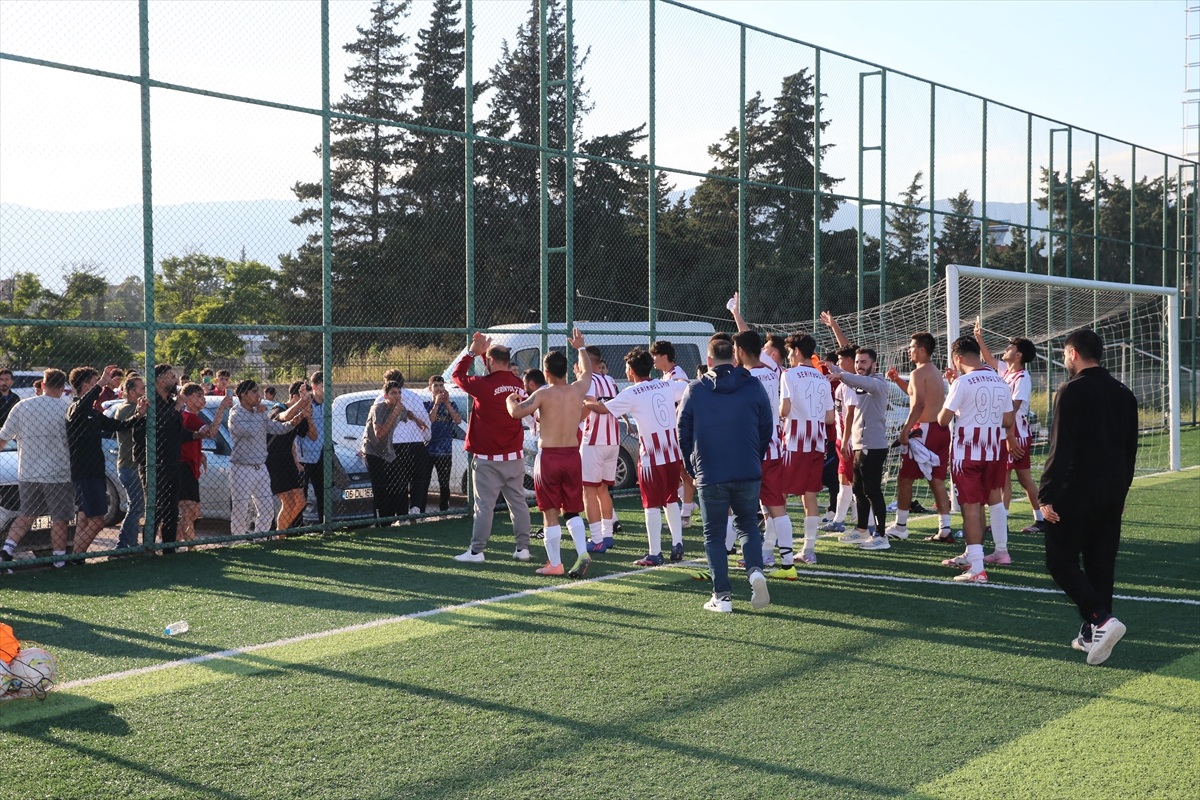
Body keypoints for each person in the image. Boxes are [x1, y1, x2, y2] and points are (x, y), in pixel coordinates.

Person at [1038, 329, 1138, 665]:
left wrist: (1046, 494)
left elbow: (1060, 447)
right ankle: (1090, 633)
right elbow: (1130, 450)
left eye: (1065, 353)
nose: (1065, 359)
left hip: (1075, 489)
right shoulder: (1124, 393)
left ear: (1073, 352)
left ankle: (1101, 619)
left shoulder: (1071, 390)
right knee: (1100, 563)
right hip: (1111, 490)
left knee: (1060, 560)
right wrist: (1122, 490)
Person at [678, 336, 774, 613]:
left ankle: (722, 596)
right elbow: (766, 428)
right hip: (747, 468)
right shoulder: (754, 385)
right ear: (734, 358)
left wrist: (692, 467)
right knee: (747, 525)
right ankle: (755, 570)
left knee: (714, 534)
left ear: (709, 360)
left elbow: (682, 432)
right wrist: (755, 457)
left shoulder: (695, 389)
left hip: (711, 470)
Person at [585, 348, 687, 566]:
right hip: (672, 453)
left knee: (651, 505)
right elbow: (687, 387)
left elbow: (603, 409)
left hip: (651, 456)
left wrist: (586, 402)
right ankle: (677, 544)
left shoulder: (632, 393)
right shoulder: (667, 384)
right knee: (670, 499)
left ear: (631, 370)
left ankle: (654, 553)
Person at [506, 329, 594, 578]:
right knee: (573, 510)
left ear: (545, 373)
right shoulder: (578, 390)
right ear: (566, 370)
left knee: (550, 511)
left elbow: (516, 412)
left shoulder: (543, 393)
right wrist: (581, 348)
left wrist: (510, 400)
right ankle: (581, 552)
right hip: (572, 455)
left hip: (550, 458)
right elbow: (587, 373)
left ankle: (555, 563)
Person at [937, 335, 1014, 583]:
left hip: (967, 452)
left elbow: (942, 420)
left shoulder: (962, 382)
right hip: (994, 450)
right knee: (988, 501)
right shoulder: (1000, 381)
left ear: (957, 358)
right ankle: (977, 554)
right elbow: (1008, 421)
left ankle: (978, 568)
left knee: (970, 508)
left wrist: (955, 395)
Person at [451, 333, 532, 562]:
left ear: (491, 361)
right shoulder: (517, 383)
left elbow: (457, 376)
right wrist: (484, 352)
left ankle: (477, 551)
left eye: (487, 359)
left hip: (488, 459)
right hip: (514, 457)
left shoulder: (483, 385)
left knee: (484, 507)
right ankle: (522, 548)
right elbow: (498, 379)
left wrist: (472, 352)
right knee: (518, 503)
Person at [731, 329, 796, 574]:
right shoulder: (775, 372)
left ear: (740, 351)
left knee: (739, 507)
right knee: (775, 506)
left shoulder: (744, 378)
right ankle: (787, 564)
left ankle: (728, 558)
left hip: (752, 450)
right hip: (774, 448)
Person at [65, 366, 147, 559]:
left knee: (85, 518)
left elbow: (117, 426)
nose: (100, 387)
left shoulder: (93, 413)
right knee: (98, 521)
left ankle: (77, 560)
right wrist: (102, 383)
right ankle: (74, 558)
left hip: (95, 470)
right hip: (84, 471)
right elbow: (82, 406)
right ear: (86, 386)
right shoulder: (74, 408)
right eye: (95, 383)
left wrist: (139, 415)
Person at [975, 323, 1046, 534]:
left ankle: (1041, 519)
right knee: (1003, 478)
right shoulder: (1007, 372)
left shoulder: (1022, 377)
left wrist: (1009, 436)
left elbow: (1013, 409)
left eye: (1010, 348)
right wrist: (979, 337)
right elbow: (988, 358)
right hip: (1006, 433)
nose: (1006, 350)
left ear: (1018, 355)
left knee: (1024, 479)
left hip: (1016, 434)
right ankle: (1001, 521)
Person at [0, 369, 75, 569]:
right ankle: (59, 560)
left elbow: (3, 438)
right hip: (58, 472)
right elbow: (71, 443)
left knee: (27, 514)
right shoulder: (65, 408)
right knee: (59, 518)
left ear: (42, 384)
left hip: (28, 471)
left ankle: (7, 550)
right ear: (61, 388)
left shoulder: (21, 406)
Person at [884, 332, 953, 542]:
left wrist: (905, 430)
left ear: (922, 349)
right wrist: (897, 381)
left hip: (924, 431)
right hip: (940, 429)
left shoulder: (918, 373)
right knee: (937, 480)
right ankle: (945, 528)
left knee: (905, 479)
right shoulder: (932, 371)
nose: (909, 350)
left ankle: (901, 526)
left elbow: (919, 405)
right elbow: (917, 395)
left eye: (912, 346)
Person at [778, 333, 835, 569]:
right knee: (809, 495)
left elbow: (784, 410)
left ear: (797, 351)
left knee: (779, 495)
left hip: (795, 442)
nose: (789, 357)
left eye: (790, 352)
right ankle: (808, 550)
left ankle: (774, 548)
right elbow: (831, 418)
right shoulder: (822, 378)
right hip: (817, 442)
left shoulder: (788, 375)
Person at [825, 347, 890, 550]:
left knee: (872, 491)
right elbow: (855, 379)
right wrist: (835, 368)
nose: (859, 366)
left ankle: (881, 535)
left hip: (874, 445)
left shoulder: (877, 383)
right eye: (857, 362)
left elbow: (861, 381)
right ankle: (862, 530)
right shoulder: (857, 380)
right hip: (860, 444)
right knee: (859, 490)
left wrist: (841, 373)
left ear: (874, 364)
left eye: (863, 362)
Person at [228, 379, 303, 540]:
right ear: (243, 395)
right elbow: (251, 431)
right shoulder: (236, 414)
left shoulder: (258, 413)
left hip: (261, 467)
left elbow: (274, 427)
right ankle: (238, 543)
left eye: (258, 391)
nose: (258, 395)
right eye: (254, 392)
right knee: (241, 509)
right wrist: (260, 414)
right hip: (242, 468)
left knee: (267, 509)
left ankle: (260, 539)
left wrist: (291, 423)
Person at [579, 344, 621, 553]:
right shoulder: (610, 380)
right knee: (603, 490)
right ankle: (607, 535)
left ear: (587, 362)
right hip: (613, 441)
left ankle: (596, 539)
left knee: (589, 492)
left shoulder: (588, 381)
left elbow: (589, 407)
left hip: (594, 441)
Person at [378, 369, 430, 519]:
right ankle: (416, 507)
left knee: (398, 480)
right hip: (415, 442)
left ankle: (401, 513)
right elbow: (423, 419)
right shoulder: (414, 396)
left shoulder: (381, 398)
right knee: (418, 478)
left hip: (394, 443)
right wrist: (426, 436)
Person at [267, 381, 317, 531]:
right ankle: (280, 535)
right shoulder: (278, 409)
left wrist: (307, 417)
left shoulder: (300, 414)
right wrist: (301, 404)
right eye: (307, 398)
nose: (309, 401)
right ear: (296, 396)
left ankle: (281, 531)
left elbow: (313, 436)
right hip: (274, 462)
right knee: (288, 503)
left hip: (289, 461)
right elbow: (284, 417)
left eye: (309, 399)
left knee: (300, 502)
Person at [363, 381, 408, 526]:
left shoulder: (400, 408)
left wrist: (419, 421)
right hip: (373, 451)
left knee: (400, 482)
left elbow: (408, 414)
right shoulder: (379, 408)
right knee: (380, 486)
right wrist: (394, 414)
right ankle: (383, 521)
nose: (397, 396)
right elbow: (380, 434)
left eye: (399, 392)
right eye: (393, 393)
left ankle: (401, 518)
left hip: (388, 452)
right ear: (386, 396)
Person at [111, 375, 147, 550]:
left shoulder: (132, 407)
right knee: (137, 505)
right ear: (131, 392)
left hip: (132, 465)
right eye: (141, 389)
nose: (144, 392)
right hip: (129, 465)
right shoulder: (127, 409)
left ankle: (128, 543)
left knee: (138, 505)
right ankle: (125, 544)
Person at [419, 375, 462, 513]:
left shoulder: (451, 405)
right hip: (427, 450)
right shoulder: (425, 405)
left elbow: (458, 420)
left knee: (444, 483)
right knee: (424, 482)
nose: (439, 388)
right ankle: (421, 511)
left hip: (445, 450)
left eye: (441, 385)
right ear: (430, 388)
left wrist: (447, 403)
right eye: (436, 386)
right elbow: (428, 422)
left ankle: (444, 510)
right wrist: (437, 404)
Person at [176, 383, 210, 549]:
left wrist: (200, 454)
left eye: (202, 395)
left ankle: (173, 542)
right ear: (187, 400)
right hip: (183, 467)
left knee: (192, 512)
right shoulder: (189, 416)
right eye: (198, 396)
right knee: (191, 511)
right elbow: (211, 432)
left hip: (191, 467)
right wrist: (221, 410)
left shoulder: (191, 416)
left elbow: (189, 441)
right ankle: (191, 546)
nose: (202, 399)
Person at [297, 372, 326, 522]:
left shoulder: (327, 405)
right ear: (314, 386)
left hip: (322, 455)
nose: (327, 389)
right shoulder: (307, 404)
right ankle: (298, 528)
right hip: (305, 457)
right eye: (323, 385)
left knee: (323, 492)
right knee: (302, 495)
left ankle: (324, 524)